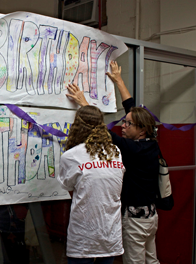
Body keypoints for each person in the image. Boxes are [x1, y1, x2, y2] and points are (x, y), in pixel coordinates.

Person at [67, 61, 160, 264]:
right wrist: (119, 81)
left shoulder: (132, 149)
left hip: (135, 220)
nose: (123, 125)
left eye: (127, 123)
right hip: (150, 217)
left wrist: (84, 103)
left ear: (141, 130)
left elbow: (103, 131)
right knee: (151, 260)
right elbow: (133, 110)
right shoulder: (150, 143)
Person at [58, 104, 125, 264]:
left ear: (77, 125)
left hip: (83, 235)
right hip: (110, 233)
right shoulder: (115, 152)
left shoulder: (71, 156)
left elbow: (71, 190)